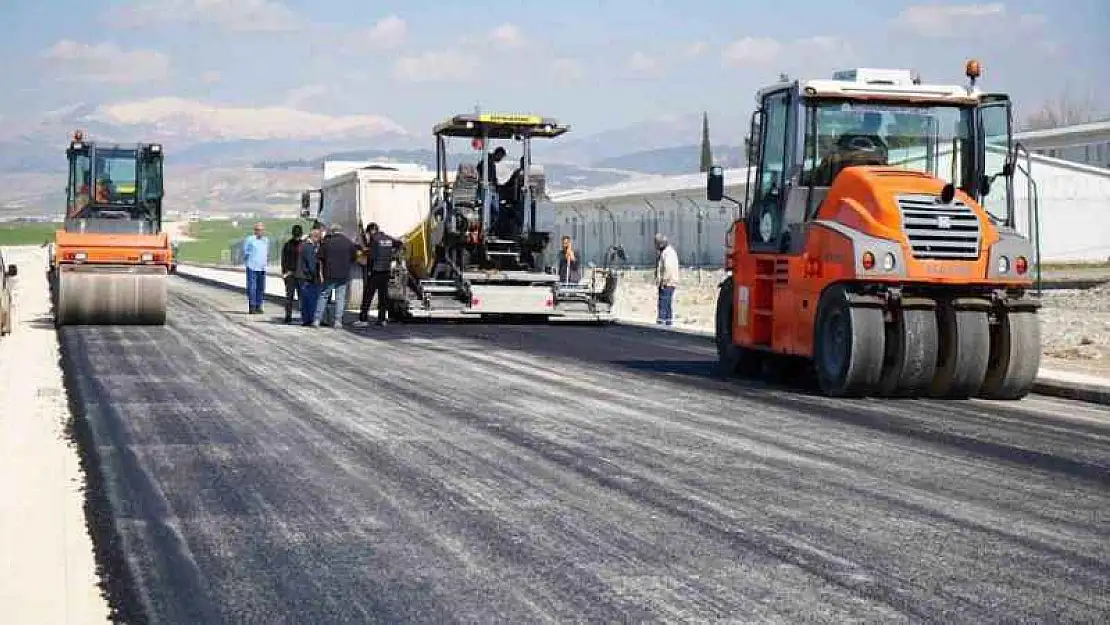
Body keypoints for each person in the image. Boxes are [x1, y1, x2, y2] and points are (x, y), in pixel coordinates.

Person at [312, 224, 358, 328]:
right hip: (343, 275)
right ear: (341, 231)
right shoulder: (348, 242)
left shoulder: (326, 243)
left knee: (323, 296)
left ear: (332, 231)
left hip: (329, 274)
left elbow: (319, 257)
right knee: (340, 298)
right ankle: (338, 321)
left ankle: (317, 320)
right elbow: (354, 257)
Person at [359, 222, 403, 325]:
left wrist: (368, 264)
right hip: (386, 271)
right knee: (383, 296)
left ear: (371, 230)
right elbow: (400, 244)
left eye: (368, 233)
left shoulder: (374, 240)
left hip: (375, 271)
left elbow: (372, 256)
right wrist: (392, 256)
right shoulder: (387, 238)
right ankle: (382, 319)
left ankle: (363, 319)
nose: (368, 235)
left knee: (368, 296)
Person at [296, 226, 323, 326]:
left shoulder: (303, 245)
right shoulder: (309, 247)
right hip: (307, 277)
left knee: (305, 300)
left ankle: (306, 319)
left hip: (301, 276)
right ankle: (311, 319)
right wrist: (317, 276)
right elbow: (311, 264)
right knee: (311, 299)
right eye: (319, 238)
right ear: (315, 237)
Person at [242, 222, 270, 314]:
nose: (260, 232)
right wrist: (248, 261)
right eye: (258, 230)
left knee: (261, 287)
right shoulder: (250, 239)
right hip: (252, 266)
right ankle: (252, 306)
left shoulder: (266, 240)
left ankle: (259, 305)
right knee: (252, 287)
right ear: (255, 231)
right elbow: (245, 251)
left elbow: (267, 252)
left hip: (262, 268)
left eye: (261, 230)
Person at [280, 224, 305, 323]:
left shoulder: (287, 244)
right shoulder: (304, 245)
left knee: (289, 296)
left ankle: (288, 316)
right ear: (301, 233)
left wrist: (285, 273)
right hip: (301, 274)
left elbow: (283, 260)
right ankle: (303, 316)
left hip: (289, 274)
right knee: (302, 297)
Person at [654, 233, 679, 326]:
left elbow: (668, 268)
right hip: (670, 282)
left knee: (663, 303)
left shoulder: (667, 253)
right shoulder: (668, 252)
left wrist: (663, 281)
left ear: (661, 243)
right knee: (668, 304)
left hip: (667, 283)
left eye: (656, 244)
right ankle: (668, 323)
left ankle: (661, 324)